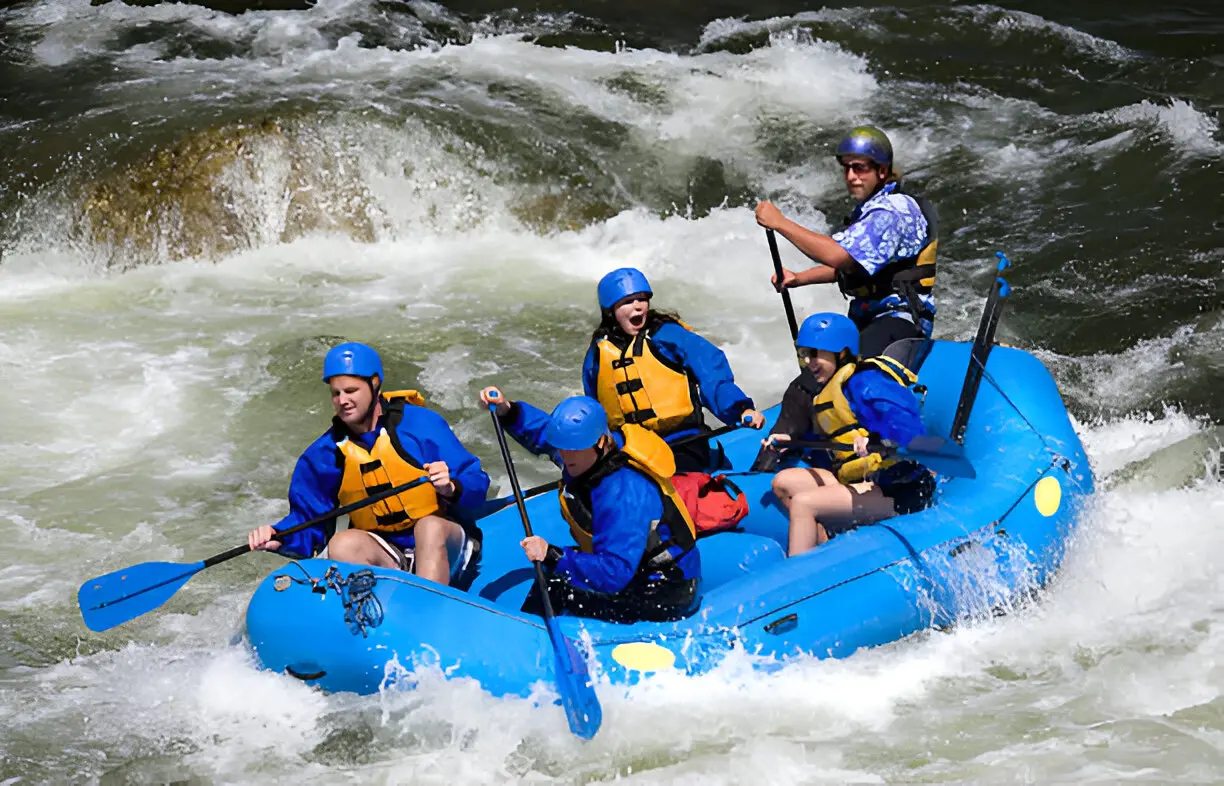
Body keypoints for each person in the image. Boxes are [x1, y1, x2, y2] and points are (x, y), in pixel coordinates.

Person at [247, 342, 491, 586]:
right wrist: (280, 538)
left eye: (351, 391)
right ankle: (380, 610)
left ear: (374, 384)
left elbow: (476, 482)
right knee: (342, 544)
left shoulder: (420, 424)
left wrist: (451, 488)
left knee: (428, 528)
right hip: (390, 553)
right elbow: (309, 520)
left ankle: (428, 610)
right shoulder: (325, 454)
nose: (343, 400)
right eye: (336, 393)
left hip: (448, 543)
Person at [479, 388, 701, 623]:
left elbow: (615, 572)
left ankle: (528, 643)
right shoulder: (585, 452)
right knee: (553, 570)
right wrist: (507, 410)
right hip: (634, 568)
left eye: (573, 449)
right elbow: (544, 434)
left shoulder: (624, 493)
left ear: (601, 442)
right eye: (563, 448)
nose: (565, 456)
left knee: (556, 584)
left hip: (665, 588)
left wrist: (553, 555)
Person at [757, 313, 936, 556]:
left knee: (803, 503)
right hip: (860, 480)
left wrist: (877, 441)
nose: (809, 362)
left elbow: (909, 431)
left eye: (815, 353)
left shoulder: (867, 382)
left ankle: (801, 580)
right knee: (784, 483)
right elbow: (837, 442)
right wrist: (796, 442)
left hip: (898, 489)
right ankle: (823, 549)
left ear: (841, 352)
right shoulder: (826, 392)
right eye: (804, 354)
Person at [755, 126, 939, 357]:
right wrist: (799, 279)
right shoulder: (871, 209)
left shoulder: (892, 212)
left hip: (899, 321)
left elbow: (839, 255)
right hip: (871, 318)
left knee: (850, 377)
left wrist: (780, 223)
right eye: (847, 168)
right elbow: (850, 266)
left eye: (859, 168)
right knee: (818, 371)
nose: (851, 176)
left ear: (881, 171)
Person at [583, 266, 765, 473]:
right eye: (627, 302)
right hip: (632, 447)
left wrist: (739, 409)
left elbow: (711, 373)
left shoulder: (668, 336)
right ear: (610, 310)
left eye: (642, 299)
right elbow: (594, 405)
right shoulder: (598, 353)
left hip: (682, 439)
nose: (638, 307)